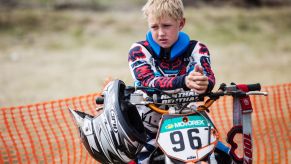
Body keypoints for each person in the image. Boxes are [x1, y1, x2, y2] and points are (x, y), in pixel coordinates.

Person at [127, 0, 218, 163]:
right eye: (154, 27)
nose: (161, 33)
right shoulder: (139, 50)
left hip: (190, 121)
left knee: (223, 155)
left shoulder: (198, 49)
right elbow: (147, 82)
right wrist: (184, 81)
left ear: (181, 23)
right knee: (139, 159)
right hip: (148, 128)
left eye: (166, 26)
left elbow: (208, 77)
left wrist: (204, 83)